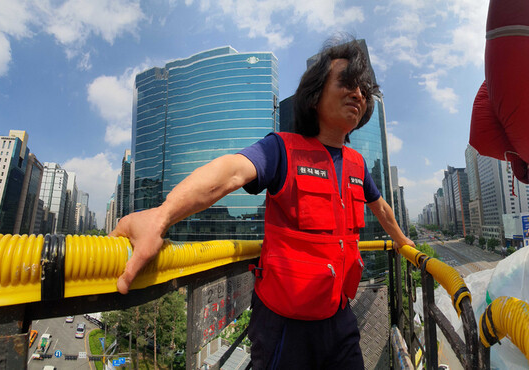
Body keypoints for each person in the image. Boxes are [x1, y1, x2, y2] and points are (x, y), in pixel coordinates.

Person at [109, 37, 415, 369]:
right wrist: (161, 216)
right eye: (347, 83)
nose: (359, 94)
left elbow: (380, 206)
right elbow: (230, 171)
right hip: (284, 327)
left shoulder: (356, 165)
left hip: (340, 317)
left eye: (364, 90)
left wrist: (401, 241)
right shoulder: (282, 149)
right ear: (314, 96)